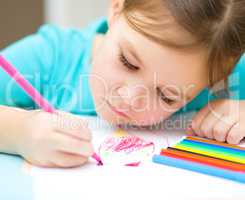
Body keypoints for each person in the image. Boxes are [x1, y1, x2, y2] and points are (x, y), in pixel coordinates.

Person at [0, 0, 244, 168]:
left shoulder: (228, 79)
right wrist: (20, 131)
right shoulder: (50, 57)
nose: (129, 98)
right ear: (116, 10)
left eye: (167, 96)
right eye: (128, 62)